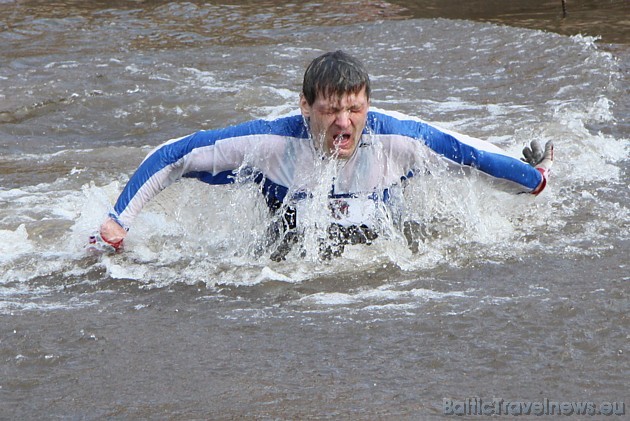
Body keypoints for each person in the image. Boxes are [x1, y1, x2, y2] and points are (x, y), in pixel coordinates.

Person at [90, 50, 553, 259]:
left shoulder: (398, 140)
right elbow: (175, 155)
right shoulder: (271, 142)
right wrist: (117, 223)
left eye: (355, 109)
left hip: (377, 221)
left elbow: (469, 155)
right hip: (286, 227)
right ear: (306, 106)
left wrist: (533, 179)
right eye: (331, 110)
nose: (344, 123)